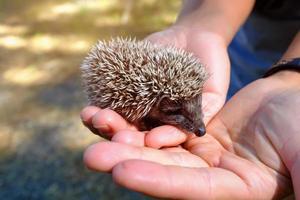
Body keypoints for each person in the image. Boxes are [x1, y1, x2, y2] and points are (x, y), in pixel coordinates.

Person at [81, 0, 300, 199]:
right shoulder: (141, 98)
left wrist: (292, 79)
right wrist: (204, 23)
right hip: (250, 24)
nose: (199, 128)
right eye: (176, 112)